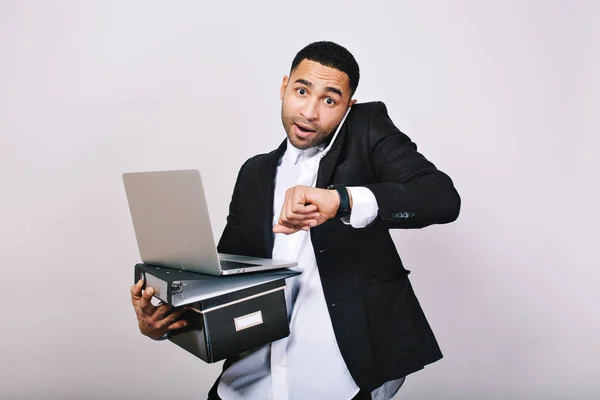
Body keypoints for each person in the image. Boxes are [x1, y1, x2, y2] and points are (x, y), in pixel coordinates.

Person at [130, 41, 461, 400]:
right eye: (301, 91)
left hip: (340, 380)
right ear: (284, 87)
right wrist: (166, 323)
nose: (309, 112)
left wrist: (342, 199)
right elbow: (227, 287)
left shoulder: (366, 132)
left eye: (329, 100)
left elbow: (441, 198)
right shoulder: (254, 172)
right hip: (247, 382)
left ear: (348, 107)